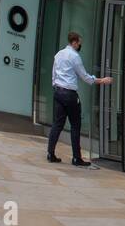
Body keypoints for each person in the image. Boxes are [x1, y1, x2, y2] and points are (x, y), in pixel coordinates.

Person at [47, 31, 112, 167]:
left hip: (58, 92)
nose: (80, 45)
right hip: (70, 94)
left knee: (57, 124)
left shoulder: (59, 54)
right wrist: (102, 80)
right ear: (74, 42)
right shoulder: (75, 57)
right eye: (80, 43)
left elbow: (54, 74)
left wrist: (56, 87)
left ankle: (50, 154)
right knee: (75, 126)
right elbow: (85, 77)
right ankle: (77, 158)